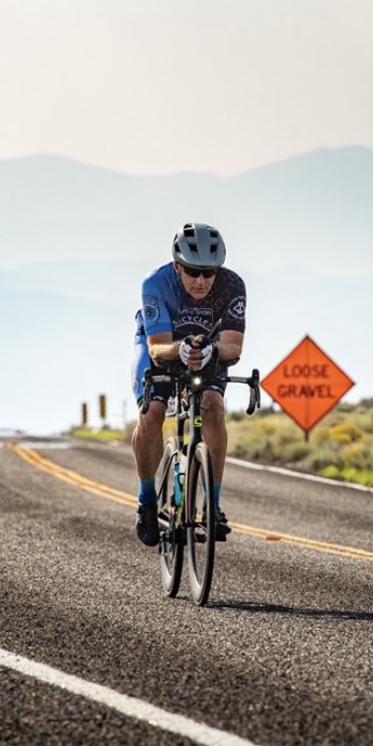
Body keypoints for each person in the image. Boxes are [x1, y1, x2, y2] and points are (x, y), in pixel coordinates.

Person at [131, 222, 247, 547]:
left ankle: (213, 505)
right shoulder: (156, 283)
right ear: (177, 266)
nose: (201, 281)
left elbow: (234, 347)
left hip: (207, 350)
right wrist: (181, 350)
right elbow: (157, 347)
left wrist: (211, 351)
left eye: (209, 274)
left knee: (213, 406)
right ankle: (147, 500)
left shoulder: (232, 285)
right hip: (161, 346)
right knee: (152, 412)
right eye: (194, 272)